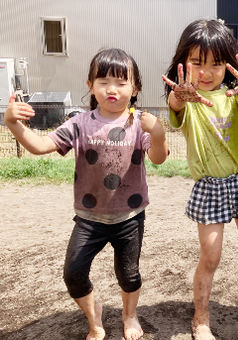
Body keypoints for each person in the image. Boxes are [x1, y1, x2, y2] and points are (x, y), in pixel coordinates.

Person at [4, 48, 168, 340]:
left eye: (121, 82)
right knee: (74, 274)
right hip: (89, 217)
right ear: (90, 86)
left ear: (135, 88)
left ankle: (129, 315)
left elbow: (159, 158)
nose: (112, 89)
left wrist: (157, 134)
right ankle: (95, 318)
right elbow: (41, 146)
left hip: (129, 217)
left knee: (129, 275)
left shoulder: (139, 122)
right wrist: (14, 124)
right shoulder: (80, 123)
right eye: (103, 81)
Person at [161, 19, 238, 340]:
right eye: (198, 63)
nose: (207, 71)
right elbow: (174, 110)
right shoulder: (186, 98)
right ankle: (200, 318)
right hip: (209, 187)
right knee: (210, 256)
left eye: (216, 63)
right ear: (183, 63)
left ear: (228, 64)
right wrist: (179, 96)